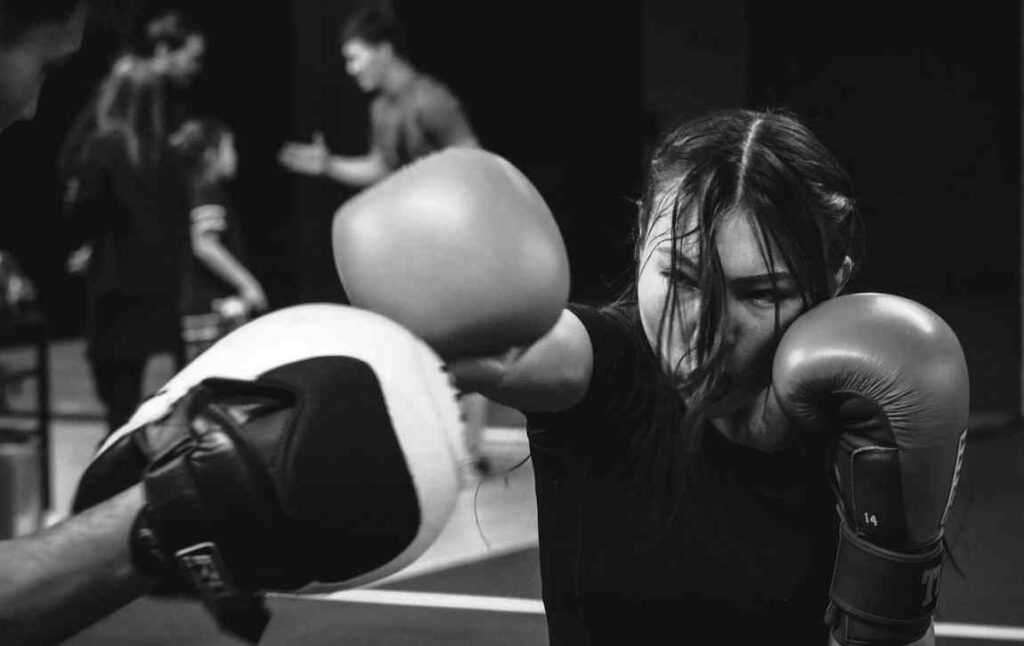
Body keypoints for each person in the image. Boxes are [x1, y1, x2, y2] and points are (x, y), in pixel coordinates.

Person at [329, 117, 969, 645]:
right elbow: (504, 353)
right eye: (681, 278)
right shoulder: (601, 367)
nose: (706, 330)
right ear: (640, 242)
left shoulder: (866, 418)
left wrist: (894, 573)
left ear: (833, 282)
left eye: (761, 294)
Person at [0, 7, 466, 645]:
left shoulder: (423, 103)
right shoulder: (132, 145)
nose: (31, 110)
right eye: (46, 67)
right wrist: (180, 502)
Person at [61, 61, 191, 436]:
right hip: (162, 291)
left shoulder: (103, 148)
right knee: (157, 409)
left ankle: (119, 468)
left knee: (118, 406)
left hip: (116, 293)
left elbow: (82, 215)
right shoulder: (169, 154)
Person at [278, 4, 479, 187]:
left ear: (384, 52)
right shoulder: (380, 108)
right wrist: (329, 165)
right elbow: (382, 169)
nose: (351, 69)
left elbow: (475, 163)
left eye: (354, 58)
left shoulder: (430, 99)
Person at [170, 117, 267, 361]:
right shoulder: (206, 189)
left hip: (196, 309)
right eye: (230, 148)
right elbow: (204, 244)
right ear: (210, 155)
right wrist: (248, 284)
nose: (235, 156)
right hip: (210, 311)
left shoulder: (188, 189)